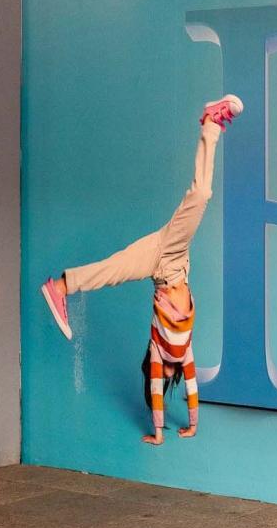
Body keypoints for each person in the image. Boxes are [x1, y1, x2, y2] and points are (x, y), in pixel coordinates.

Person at [38, 96, 242, 445]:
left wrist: (158, 432)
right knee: (202, 195)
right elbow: (192, 389)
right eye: (172, 375)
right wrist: (192, 425)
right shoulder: (186, 353)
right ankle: (211, 124)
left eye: (166, 375)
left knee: (112, 269)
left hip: (160, 265)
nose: (173, 375)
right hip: (173, 257)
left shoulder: (159, 349)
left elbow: (156, 391)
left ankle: (60, 287)